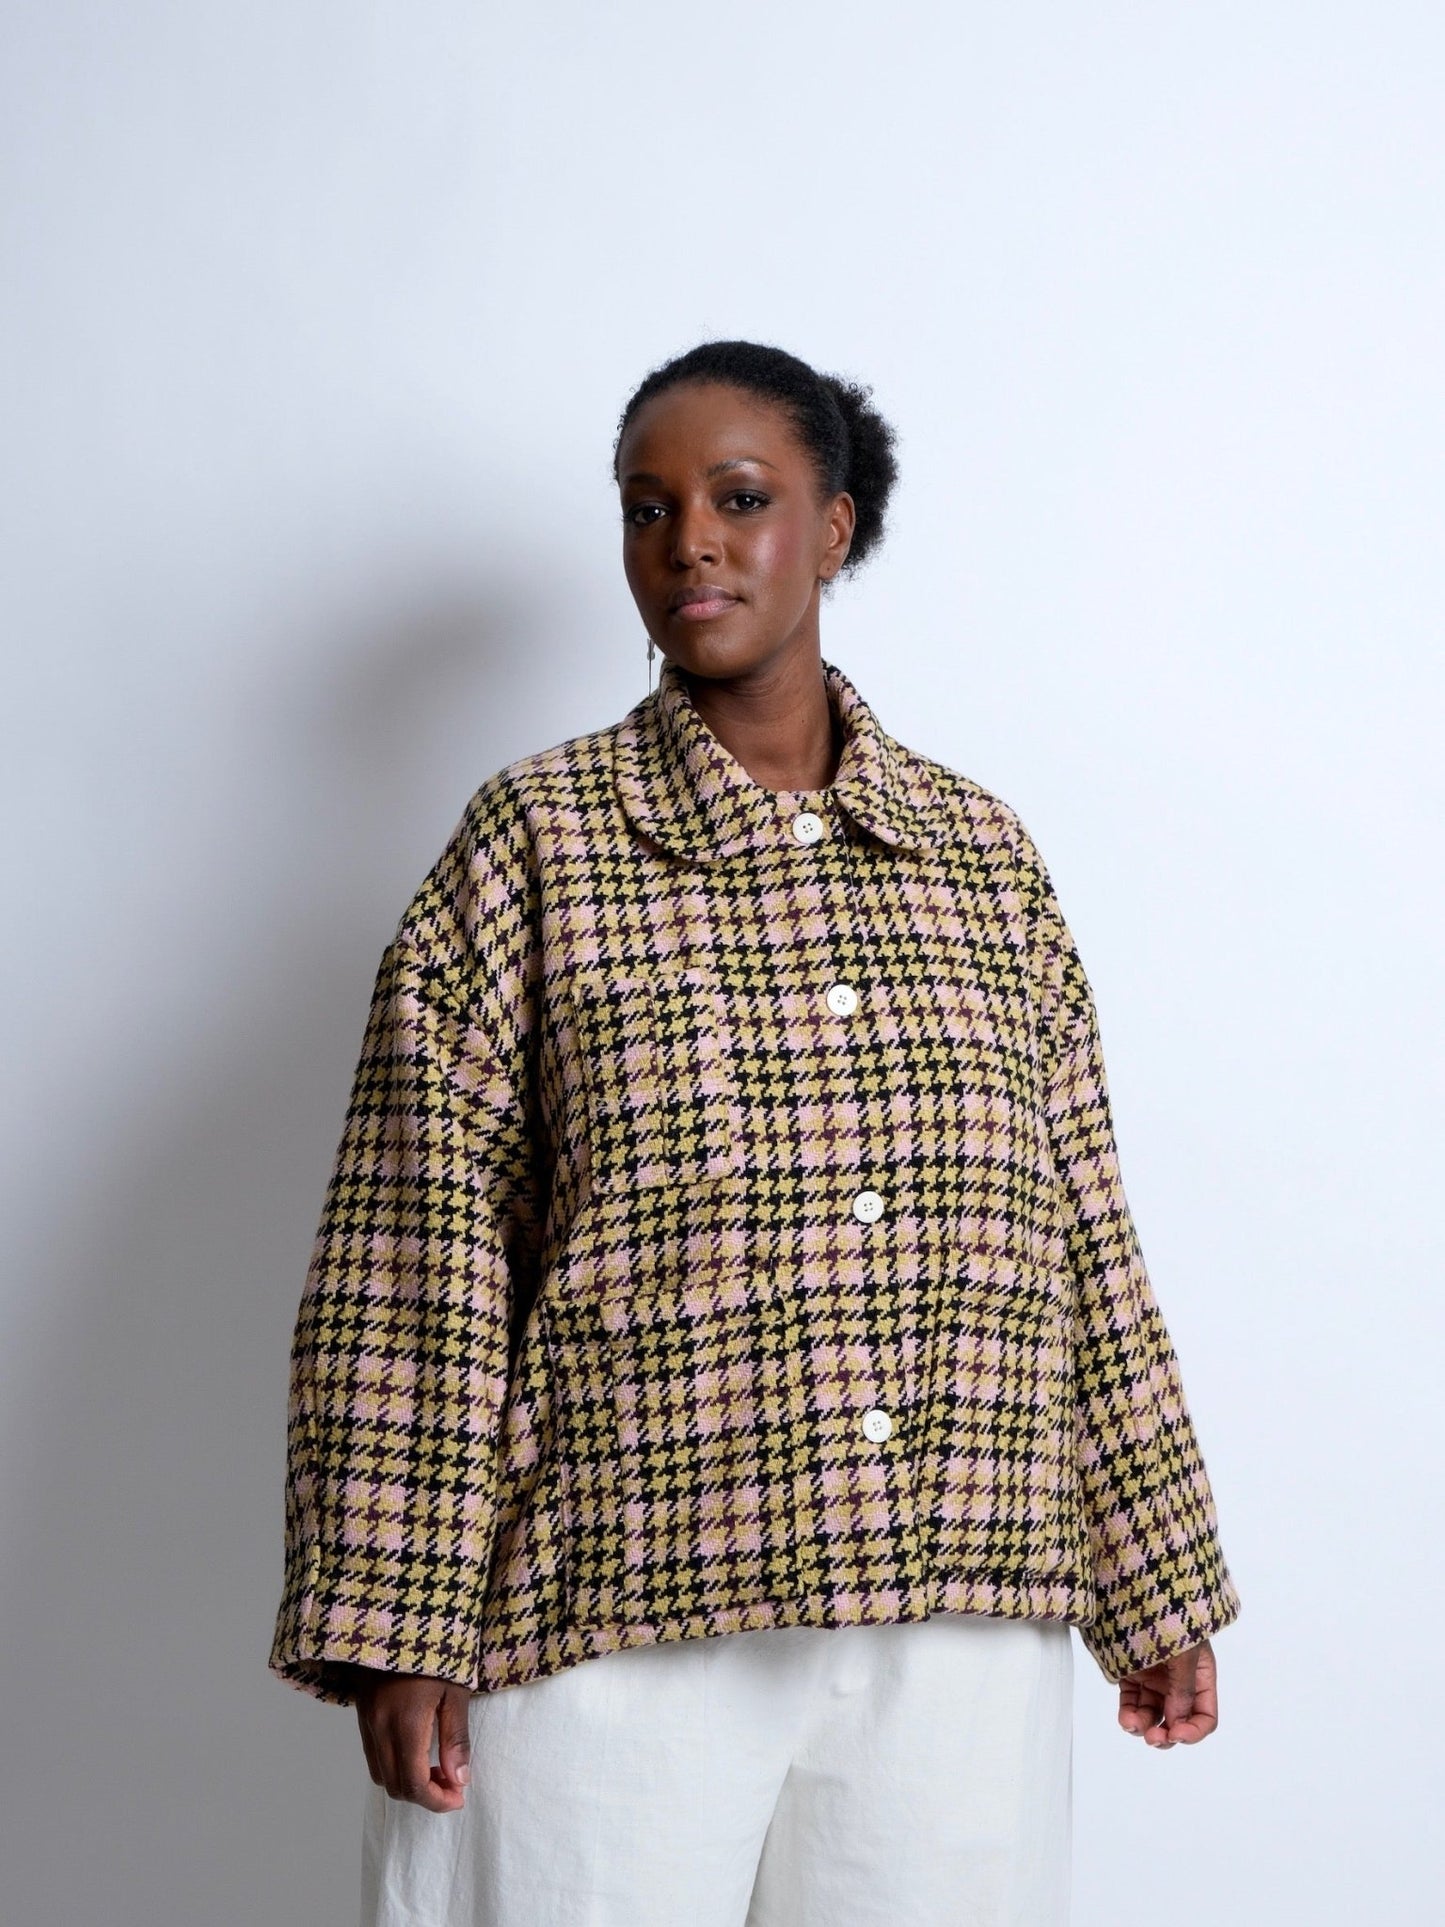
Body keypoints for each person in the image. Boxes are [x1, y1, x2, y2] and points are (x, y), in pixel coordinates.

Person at [270, 339, 1241, 1926]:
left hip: (953, 1617)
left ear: (833, 527)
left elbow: (1076, 1235)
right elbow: (414, 1247)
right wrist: (397, 1623)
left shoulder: (979, 856)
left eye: (738, 500)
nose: (688, 545)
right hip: (622, 1607)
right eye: (647, 509)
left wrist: (1153, 1578)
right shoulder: (538, 844)